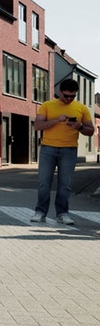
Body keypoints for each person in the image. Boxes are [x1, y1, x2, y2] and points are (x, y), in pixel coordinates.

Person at [30, 78, 95, 224]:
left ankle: (62, 214)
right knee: (44, 183)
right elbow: (38, 125)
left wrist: (79, 127)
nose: (69, 99)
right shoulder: (47, 105)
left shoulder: (82, 108)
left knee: (65, 184)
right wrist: (57, 120)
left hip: (69, 150)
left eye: (72, 96)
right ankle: (40, 212)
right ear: (60, 92)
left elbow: (91, 131)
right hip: (48, 148)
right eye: (66, 95)